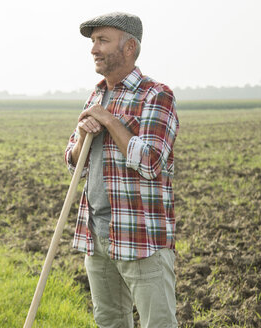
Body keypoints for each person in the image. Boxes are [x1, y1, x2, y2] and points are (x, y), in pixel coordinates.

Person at [64, 12, 179, 328]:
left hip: (140, 237)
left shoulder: (156, 95)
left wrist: (110, 121)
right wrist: (86, 134)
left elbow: (152, 162)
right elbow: (73, 161)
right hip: (97, 234)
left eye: (102, 40)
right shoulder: (96, 94)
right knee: (110, 321)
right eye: (92, 41)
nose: (94, 49)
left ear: (129, 47)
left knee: (158, 323)